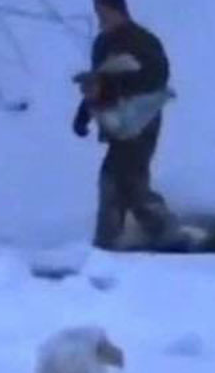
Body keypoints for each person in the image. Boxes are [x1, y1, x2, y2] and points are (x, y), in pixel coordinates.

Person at [72, 0, 198, 251]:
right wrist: (84, 113)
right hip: (116, 121)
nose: (100, 19)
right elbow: (98, 85)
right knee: (126, 181)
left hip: (143, 120)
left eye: (103, 13)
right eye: (97, 13)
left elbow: (155, 78)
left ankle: (113, 242)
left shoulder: (142, 41)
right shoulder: (102, 44)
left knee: (120, 178)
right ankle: (155, 234)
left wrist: (111, 87)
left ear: (118, 11)